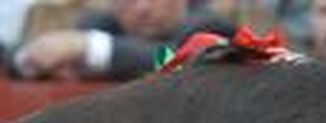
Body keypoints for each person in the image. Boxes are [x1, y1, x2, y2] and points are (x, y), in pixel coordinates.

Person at [10, 0, 234, 81]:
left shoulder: (210, 26)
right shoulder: (97, 24)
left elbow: (174, 59)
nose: (143, 7)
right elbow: (16, 57)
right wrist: (35, 59)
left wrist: (89, 47)